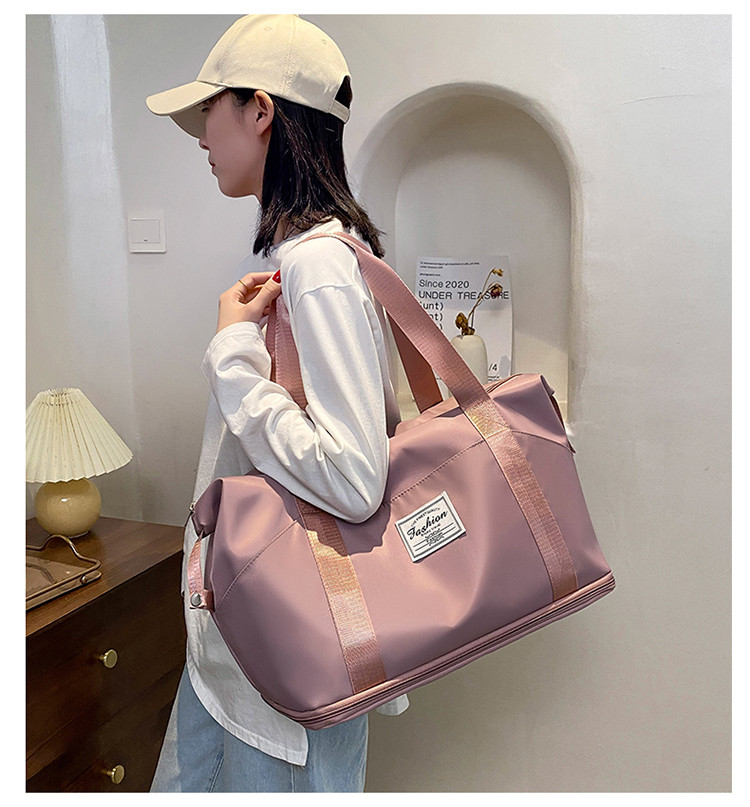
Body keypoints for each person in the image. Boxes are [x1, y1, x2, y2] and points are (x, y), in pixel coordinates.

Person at [145, 14, 408, 793]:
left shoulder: (318, 265)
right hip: (251, 645)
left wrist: (232, 355)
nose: (201, 136)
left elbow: (354, 478)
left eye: (209, 110)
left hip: (285, 668)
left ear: (259, 110)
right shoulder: (307, 255)